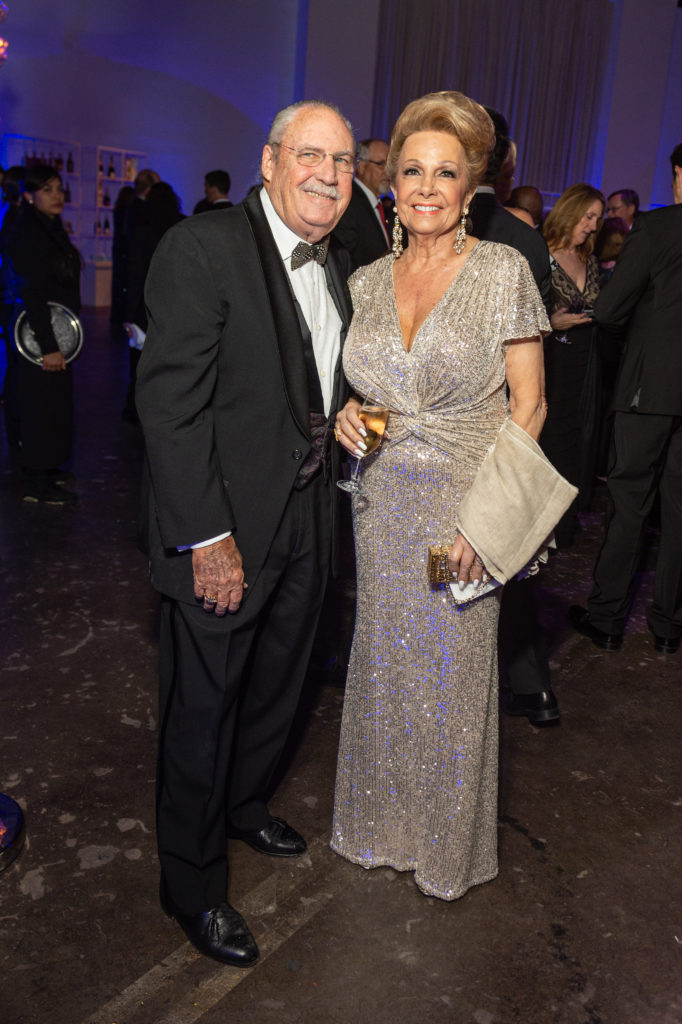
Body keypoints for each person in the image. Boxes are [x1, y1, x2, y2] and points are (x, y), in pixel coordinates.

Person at [135, 100, 354, 966]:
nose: (327, 176)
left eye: (342, 163)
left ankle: (244, 805)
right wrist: (206, 536)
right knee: (203, 706)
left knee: (279, 680)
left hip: (308, 513)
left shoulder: (339, 263)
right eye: (310, 156)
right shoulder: (205, 246)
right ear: (268, 162)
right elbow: (170, 406)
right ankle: (189, 885)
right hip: (222, 522)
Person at [331, 91, 550, 900]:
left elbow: (530, 404)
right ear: (392, 184)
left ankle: (442, 850)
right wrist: (348, 416)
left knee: (453, 682)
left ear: (470, 188)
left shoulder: (502, 272)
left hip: (465, 507)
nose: (426, 186)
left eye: (446, 172)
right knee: (384, 670)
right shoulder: (363, 281)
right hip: (381, 507)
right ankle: (377, 828)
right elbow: (359, 388)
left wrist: (490, 526)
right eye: (412, 169)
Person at [570, 143, 682, 656]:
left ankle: (608, 617)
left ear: (678, 173)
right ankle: (668, 626)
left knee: (629, 503)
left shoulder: (657, 228)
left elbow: (612, 309)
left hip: (648, 389)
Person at [468, 111, 557, 726]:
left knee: (469, 561)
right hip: (503, 425)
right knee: (502, 558)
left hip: (483, 425)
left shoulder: (415, 224)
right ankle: (530, 685)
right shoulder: (522, 235)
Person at [3, 164, 80, 504]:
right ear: (31, 195)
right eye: (48, 189)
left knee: (50, 404)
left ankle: (44, 468)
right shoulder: (27, 232)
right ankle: (34, 481)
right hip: (37, 335)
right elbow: (32, 293)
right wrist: (48, 347)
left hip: (52, 330)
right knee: (38, 405)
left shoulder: (48, 227)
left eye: (59, 188)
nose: (57, 195)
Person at [540, 183, 605, 547]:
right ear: (571, 211)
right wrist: (552, 323)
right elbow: (521, 314)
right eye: (589, 216)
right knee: (550, 441)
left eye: (598, 218)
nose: (594, 226)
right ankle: (541, 527)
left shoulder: (589, 260)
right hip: (551, 359)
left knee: (579, 440)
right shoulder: (541, 253)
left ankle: (564, 525)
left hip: (585, 361)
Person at [332, 138, 391, 269]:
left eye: (390, 165)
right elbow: (342, 261)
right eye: (381, 164)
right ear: (362, 167)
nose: (387, 172)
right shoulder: (348, 202)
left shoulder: (381, 207)